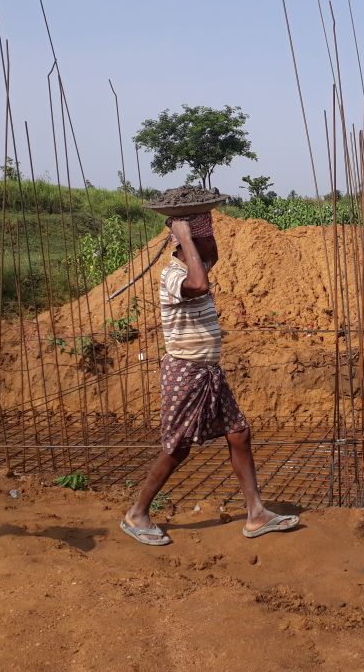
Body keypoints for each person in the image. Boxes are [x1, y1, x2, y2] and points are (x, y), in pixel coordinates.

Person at [121, 212, 299, 545]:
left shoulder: (197, 264)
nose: (212, 244)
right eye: (207, 236)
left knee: (239, 433)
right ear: (187, 244)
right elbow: (199, 283)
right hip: (186, 372)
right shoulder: (173, 276)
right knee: (178, 447)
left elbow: (211, 257)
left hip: (207, 371)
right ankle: (137, 513)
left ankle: (256, 513)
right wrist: (185, 236)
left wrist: (197, 233)